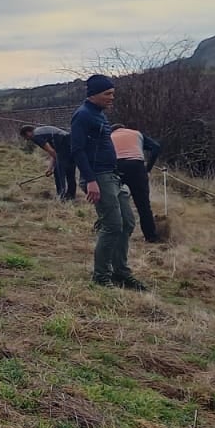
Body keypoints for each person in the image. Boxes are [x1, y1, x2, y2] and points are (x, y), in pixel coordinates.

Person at [70, 74, 144, 290]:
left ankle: (120, 272)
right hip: (99, 177)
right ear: (94, 94)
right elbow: (77, 149)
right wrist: (91, 180)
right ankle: (101, 276)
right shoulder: (82, 116)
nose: (112, 98)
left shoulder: (99, 114)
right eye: (108, 94)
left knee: (127, 222)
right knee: (112, 225)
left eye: (113, 93)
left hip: (112, 175)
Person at [110, 124, 164, 243]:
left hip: (117, 167)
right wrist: (147, 169)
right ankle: (151, 237)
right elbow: (156, 147)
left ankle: (112, 231)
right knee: (143, 205)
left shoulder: (110, 136)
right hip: (137, 166)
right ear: (125, 128)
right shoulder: (137, 134)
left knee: (113, 201)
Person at [19, 124, 76, 200]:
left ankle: (61, 196)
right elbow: (54, 151)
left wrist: (58, 163)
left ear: (28, 133)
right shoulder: (40, 131)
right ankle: (71, 195)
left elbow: (51, 151)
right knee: (69, 169)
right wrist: (50, 168)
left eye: (25, 137)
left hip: (64, 143)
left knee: (58, 171)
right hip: (70, 142)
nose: (26, 139)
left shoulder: (36, 136)